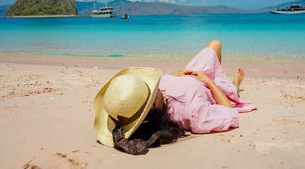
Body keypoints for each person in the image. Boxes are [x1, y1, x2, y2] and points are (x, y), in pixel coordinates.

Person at [93, 40, 257, 155]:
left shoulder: (150, 95)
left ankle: (219, 77)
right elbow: (228, 110)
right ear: (154, 106)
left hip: (189, 75)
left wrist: (178, 74)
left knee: (215, 45)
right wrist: (208, 81)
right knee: (231, 92)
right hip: (209, 87)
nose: (155, 87)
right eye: (152, 90)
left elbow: (165, 86)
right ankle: (232, 84)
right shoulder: (193, 113)